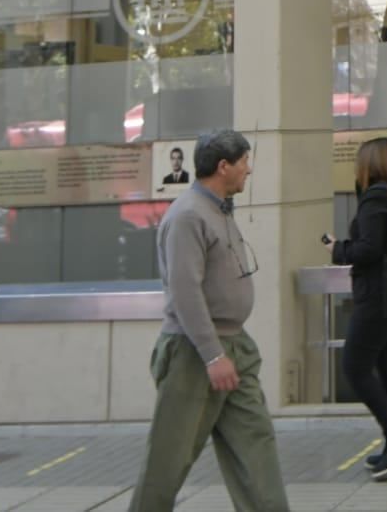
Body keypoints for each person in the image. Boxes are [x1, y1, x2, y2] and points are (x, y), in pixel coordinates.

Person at [129, 130, 288, 512]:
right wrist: (213, 356)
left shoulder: (218, 209)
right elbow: (186, 293)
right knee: (169, 459)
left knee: (255, 443)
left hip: (234, 346)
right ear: (223, 167)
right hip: (194, 353)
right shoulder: (187, 216)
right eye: (245, 162)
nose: (248, 171)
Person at [323, 136, 387, 479]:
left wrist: (339, 249)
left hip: (379, 299)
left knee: (354, 366)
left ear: (368, 166)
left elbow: (368, 250)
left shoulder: (374, 202)